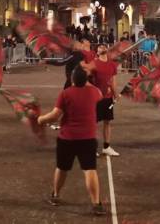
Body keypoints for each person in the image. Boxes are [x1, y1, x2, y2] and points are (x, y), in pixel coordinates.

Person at [38, 67, 106, 216]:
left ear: (72, 79)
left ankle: (55, 196)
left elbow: (55, 116)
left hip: (67, 138)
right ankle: (96, 203)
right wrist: (87, 81)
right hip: (88, 138)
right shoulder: (95, 92)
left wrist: (41, 119)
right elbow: (98, 93)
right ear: (86, 80)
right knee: (90, 170)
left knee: (62, 168)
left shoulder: (65, 94)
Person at [89, 43, 120, 157]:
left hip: (108, 98)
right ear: (97, 52)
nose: (102, 47)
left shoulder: (112, 65)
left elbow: (113, 81)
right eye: (99, 47)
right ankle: (92, 148)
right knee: (94, 123)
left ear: (107, 49)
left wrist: (115, 94)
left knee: (107, 121)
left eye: (103, 46)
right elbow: (88, 81)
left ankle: (106, 147)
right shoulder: (94, 64)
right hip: (96, 98)